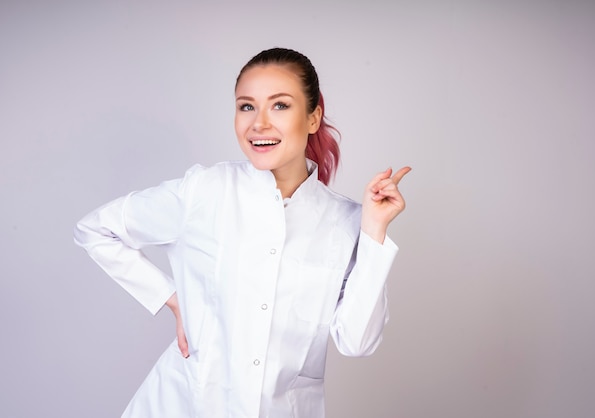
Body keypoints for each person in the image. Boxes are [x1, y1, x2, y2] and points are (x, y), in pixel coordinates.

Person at [74, 47, 410, 418]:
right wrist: (173, 298)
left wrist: (374, 231)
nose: (259, 124)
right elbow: (96, 229)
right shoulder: (204, 191)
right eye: (246, 106)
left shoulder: (347, 221)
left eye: (280, 105)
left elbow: (357, 342)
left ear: (313, 118)